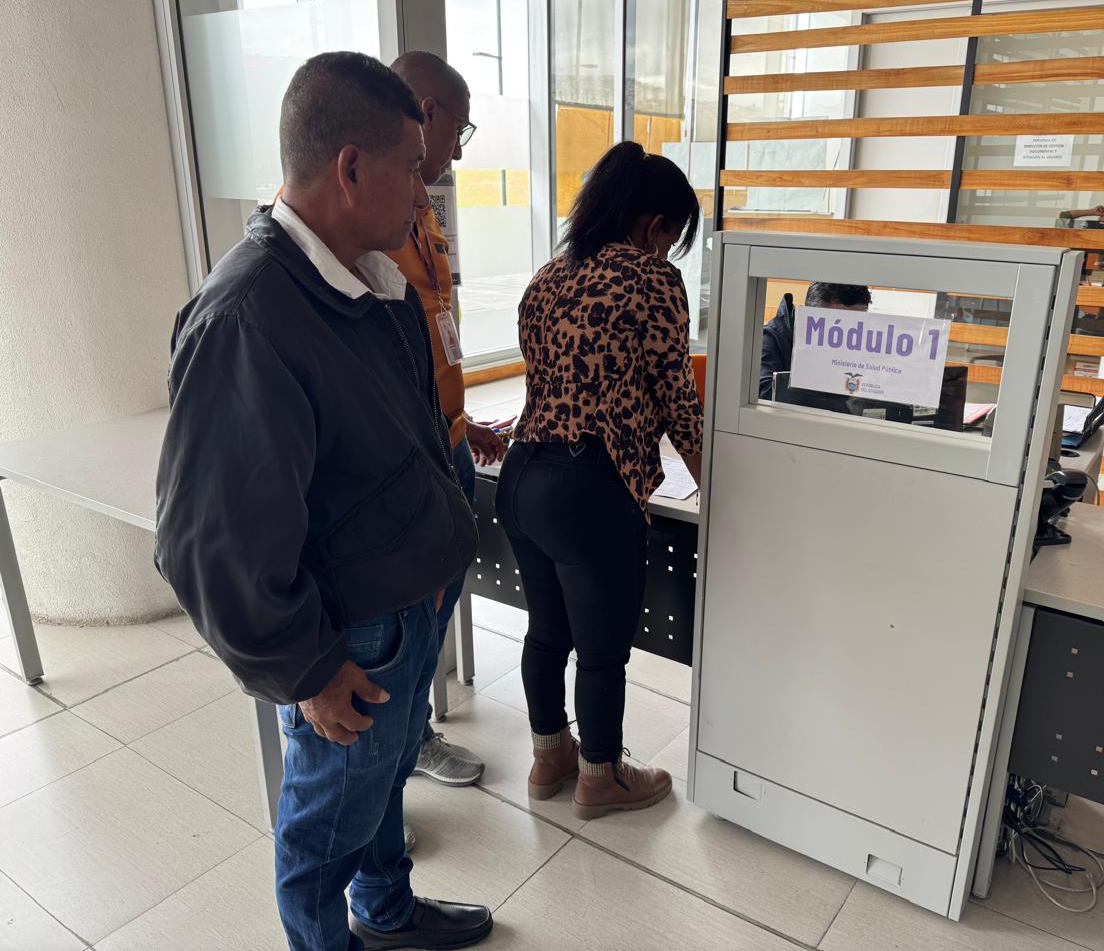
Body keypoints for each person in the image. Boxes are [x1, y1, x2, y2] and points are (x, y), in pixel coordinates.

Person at [155, 52, 492, 951]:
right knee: (323, 829)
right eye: (412, 168)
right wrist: (304, 669)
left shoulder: (369, 283)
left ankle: (385, 911)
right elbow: (204, 544)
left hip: (405, 606)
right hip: (349, 640)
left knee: (380, 791)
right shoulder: (248, 317)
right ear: (349, 168)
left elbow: (405, 438)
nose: (425, 191)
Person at [497, 141, 703, 820]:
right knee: (602, 653)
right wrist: (714, 483)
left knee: (546, 633)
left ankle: (549, 756)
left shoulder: (550, 274)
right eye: (672, 236)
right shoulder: (651, 279)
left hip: (523, 473)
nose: (669, 250)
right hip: (589, 486)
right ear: (654, 225)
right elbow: (678, 399)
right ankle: (601, 776)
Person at [385, 50, 504, 790]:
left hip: (446, 436)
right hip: (412, 457)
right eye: (459, 129)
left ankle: (410, 736)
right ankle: (399, 751)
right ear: (427, 112)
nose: (458, 150)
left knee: (434, 608)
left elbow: (433, 328)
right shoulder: (369, 215)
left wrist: (462, 419)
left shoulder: (421, 201)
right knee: (408, 618)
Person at [759, 281, 872, 409]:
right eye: (835, 328)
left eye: (855, 325)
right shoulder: (773, 338)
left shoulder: (868, 344)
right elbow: (764, 395)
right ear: (808, 318)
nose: (847, 337)